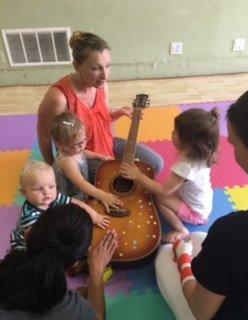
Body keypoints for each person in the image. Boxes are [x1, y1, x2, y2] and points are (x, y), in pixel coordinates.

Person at [155, 87, 248, 320]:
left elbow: (201, 311)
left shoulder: (234, 232)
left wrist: (183, 261)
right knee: (199, 238)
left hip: (208, 308)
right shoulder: (232, 234)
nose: (231, 151)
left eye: (234, 144)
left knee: (166, 255)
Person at [37, 31, 164, 183]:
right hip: (79, 153)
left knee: (155, 164)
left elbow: (99, 117)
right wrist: (52, 169)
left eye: (108, 66)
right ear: (76, 66)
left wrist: (119, 113)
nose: (105, 75)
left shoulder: (102, 86)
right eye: (96, 68)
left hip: (106, 142)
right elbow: (44, 134)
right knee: (116, 180)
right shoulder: (58, 97)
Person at [0, 203, 118, 319]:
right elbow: (97, 317)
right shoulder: (72, 310)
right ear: (75, 263)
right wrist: (96, 270)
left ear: (28, 233)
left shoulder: (5, 269)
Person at [120, 108, 220, 243]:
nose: (172, 133)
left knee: (159, 198)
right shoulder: (204, 152)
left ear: (188, 142)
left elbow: (163, 190)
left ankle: (181, 229)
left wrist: (137, 175)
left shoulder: (185, 167)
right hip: (201, 203)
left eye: (175, 132)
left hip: (195, 213)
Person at [11, 160, 109, 250]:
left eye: (51, 186)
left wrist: (94, 215)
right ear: (24, 193)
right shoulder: (29, 217)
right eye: (39, 189)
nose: (47, 192)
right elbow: (39, 241)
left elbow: (75, 202)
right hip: (25, 245)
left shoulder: (52, 197)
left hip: (49, 228)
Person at [50, 112, 122, 213]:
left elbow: (82, 152)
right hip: (70, 199)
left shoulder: (73, 150)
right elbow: (80, 183)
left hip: (80, 191)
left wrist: (100, 156)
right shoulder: (67, 162)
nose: (83, 145)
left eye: (84, 140)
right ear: (60, 145)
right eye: (78, 144)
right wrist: (102, 195)